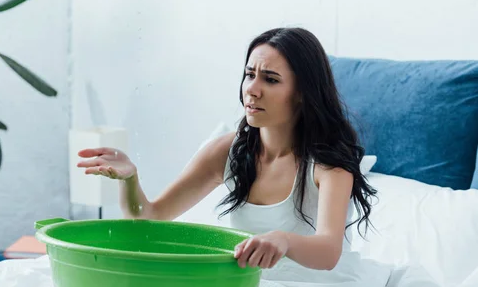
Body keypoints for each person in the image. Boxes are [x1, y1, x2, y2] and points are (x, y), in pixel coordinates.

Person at [77, 27, 376, 272]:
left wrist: (283, 240)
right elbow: (150, 217)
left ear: (301, 93)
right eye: (249, 74)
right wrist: (130, 180)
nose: (252, 89)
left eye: (270, 79)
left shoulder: (328, 165)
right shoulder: (226, 151)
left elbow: (327, 252)